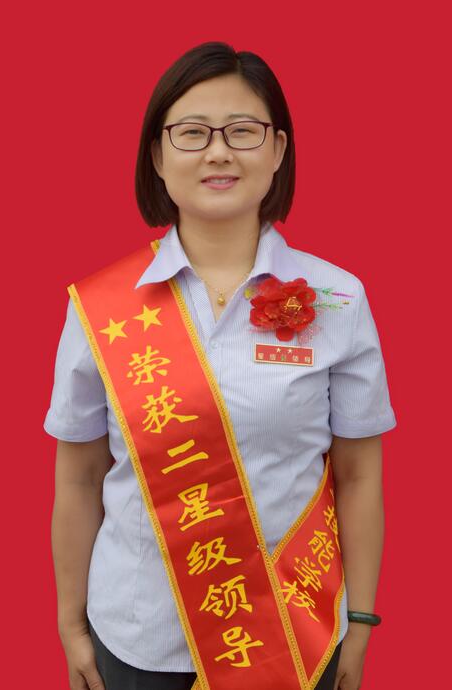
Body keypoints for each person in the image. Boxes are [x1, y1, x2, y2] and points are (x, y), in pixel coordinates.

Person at [45, 41, 397, 690]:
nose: (217, 152)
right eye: (191, 132)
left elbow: (357, 475)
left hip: (292, 634)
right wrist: (71, 623)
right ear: (157, 155)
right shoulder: (100, 307)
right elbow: (79, 477)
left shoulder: (336, 298)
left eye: (241, 130)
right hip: (136, 634)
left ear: (278, 150)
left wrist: (360, 621)